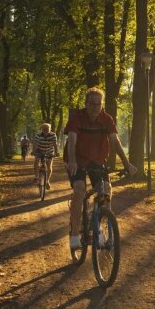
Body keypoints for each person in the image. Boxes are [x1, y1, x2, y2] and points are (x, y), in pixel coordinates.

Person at [65, 87, 137, 250]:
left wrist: (127, 163)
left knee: (105, 190)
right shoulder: (77, 117)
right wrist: (73, 161)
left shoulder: (106, 119)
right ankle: (75, 234)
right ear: (86, 103)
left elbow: (115, 141)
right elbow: (71, 141)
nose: (95, 107)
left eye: (98, 104)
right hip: (77, 159)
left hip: (97, 161)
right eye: (92, 104)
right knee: (79, 189)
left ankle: (95, 217)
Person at [32, 123, 58, 189]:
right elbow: (35, 143)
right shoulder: (38, 135)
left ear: (50, 129)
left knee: (49, 166)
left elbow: (55, 144)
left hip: (49, 151)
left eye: (47, 129)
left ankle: (47, 181)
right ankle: (36, 177)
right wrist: (33, 151)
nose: (46, 131)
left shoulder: (53, 135)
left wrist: (56, 152)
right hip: (39, 150)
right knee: (36, 162)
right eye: (44, 129)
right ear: (42, 129)